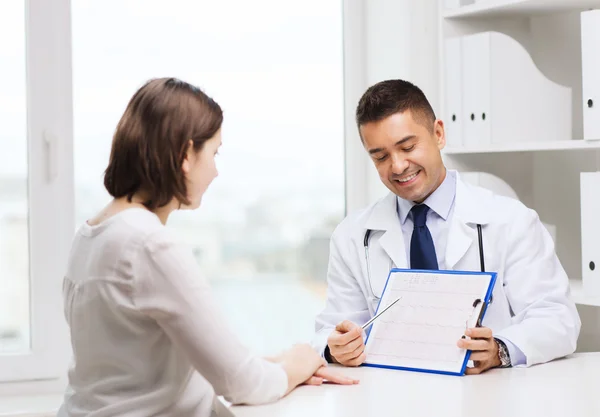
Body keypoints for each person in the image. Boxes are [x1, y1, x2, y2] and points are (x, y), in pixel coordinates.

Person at [58, 78, 357, 417]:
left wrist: (277, 364)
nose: (215, 171)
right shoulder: (149, 244)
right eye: (214, 153)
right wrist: (300, 363)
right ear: (186, 154)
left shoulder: (91, 234)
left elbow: (139, 366)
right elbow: (242, 383)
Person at [313, 79, 581, 374]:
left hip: (484, 399)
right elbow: (334, 327)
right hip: (392, 395)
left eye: (408, 147)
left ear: (438, 133)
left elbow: (558, 319)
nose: (398, 166)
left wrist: (499, 350)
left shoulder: (511, 220)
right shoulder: (352, 236)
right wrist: (335, 347)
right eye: (381, 156)